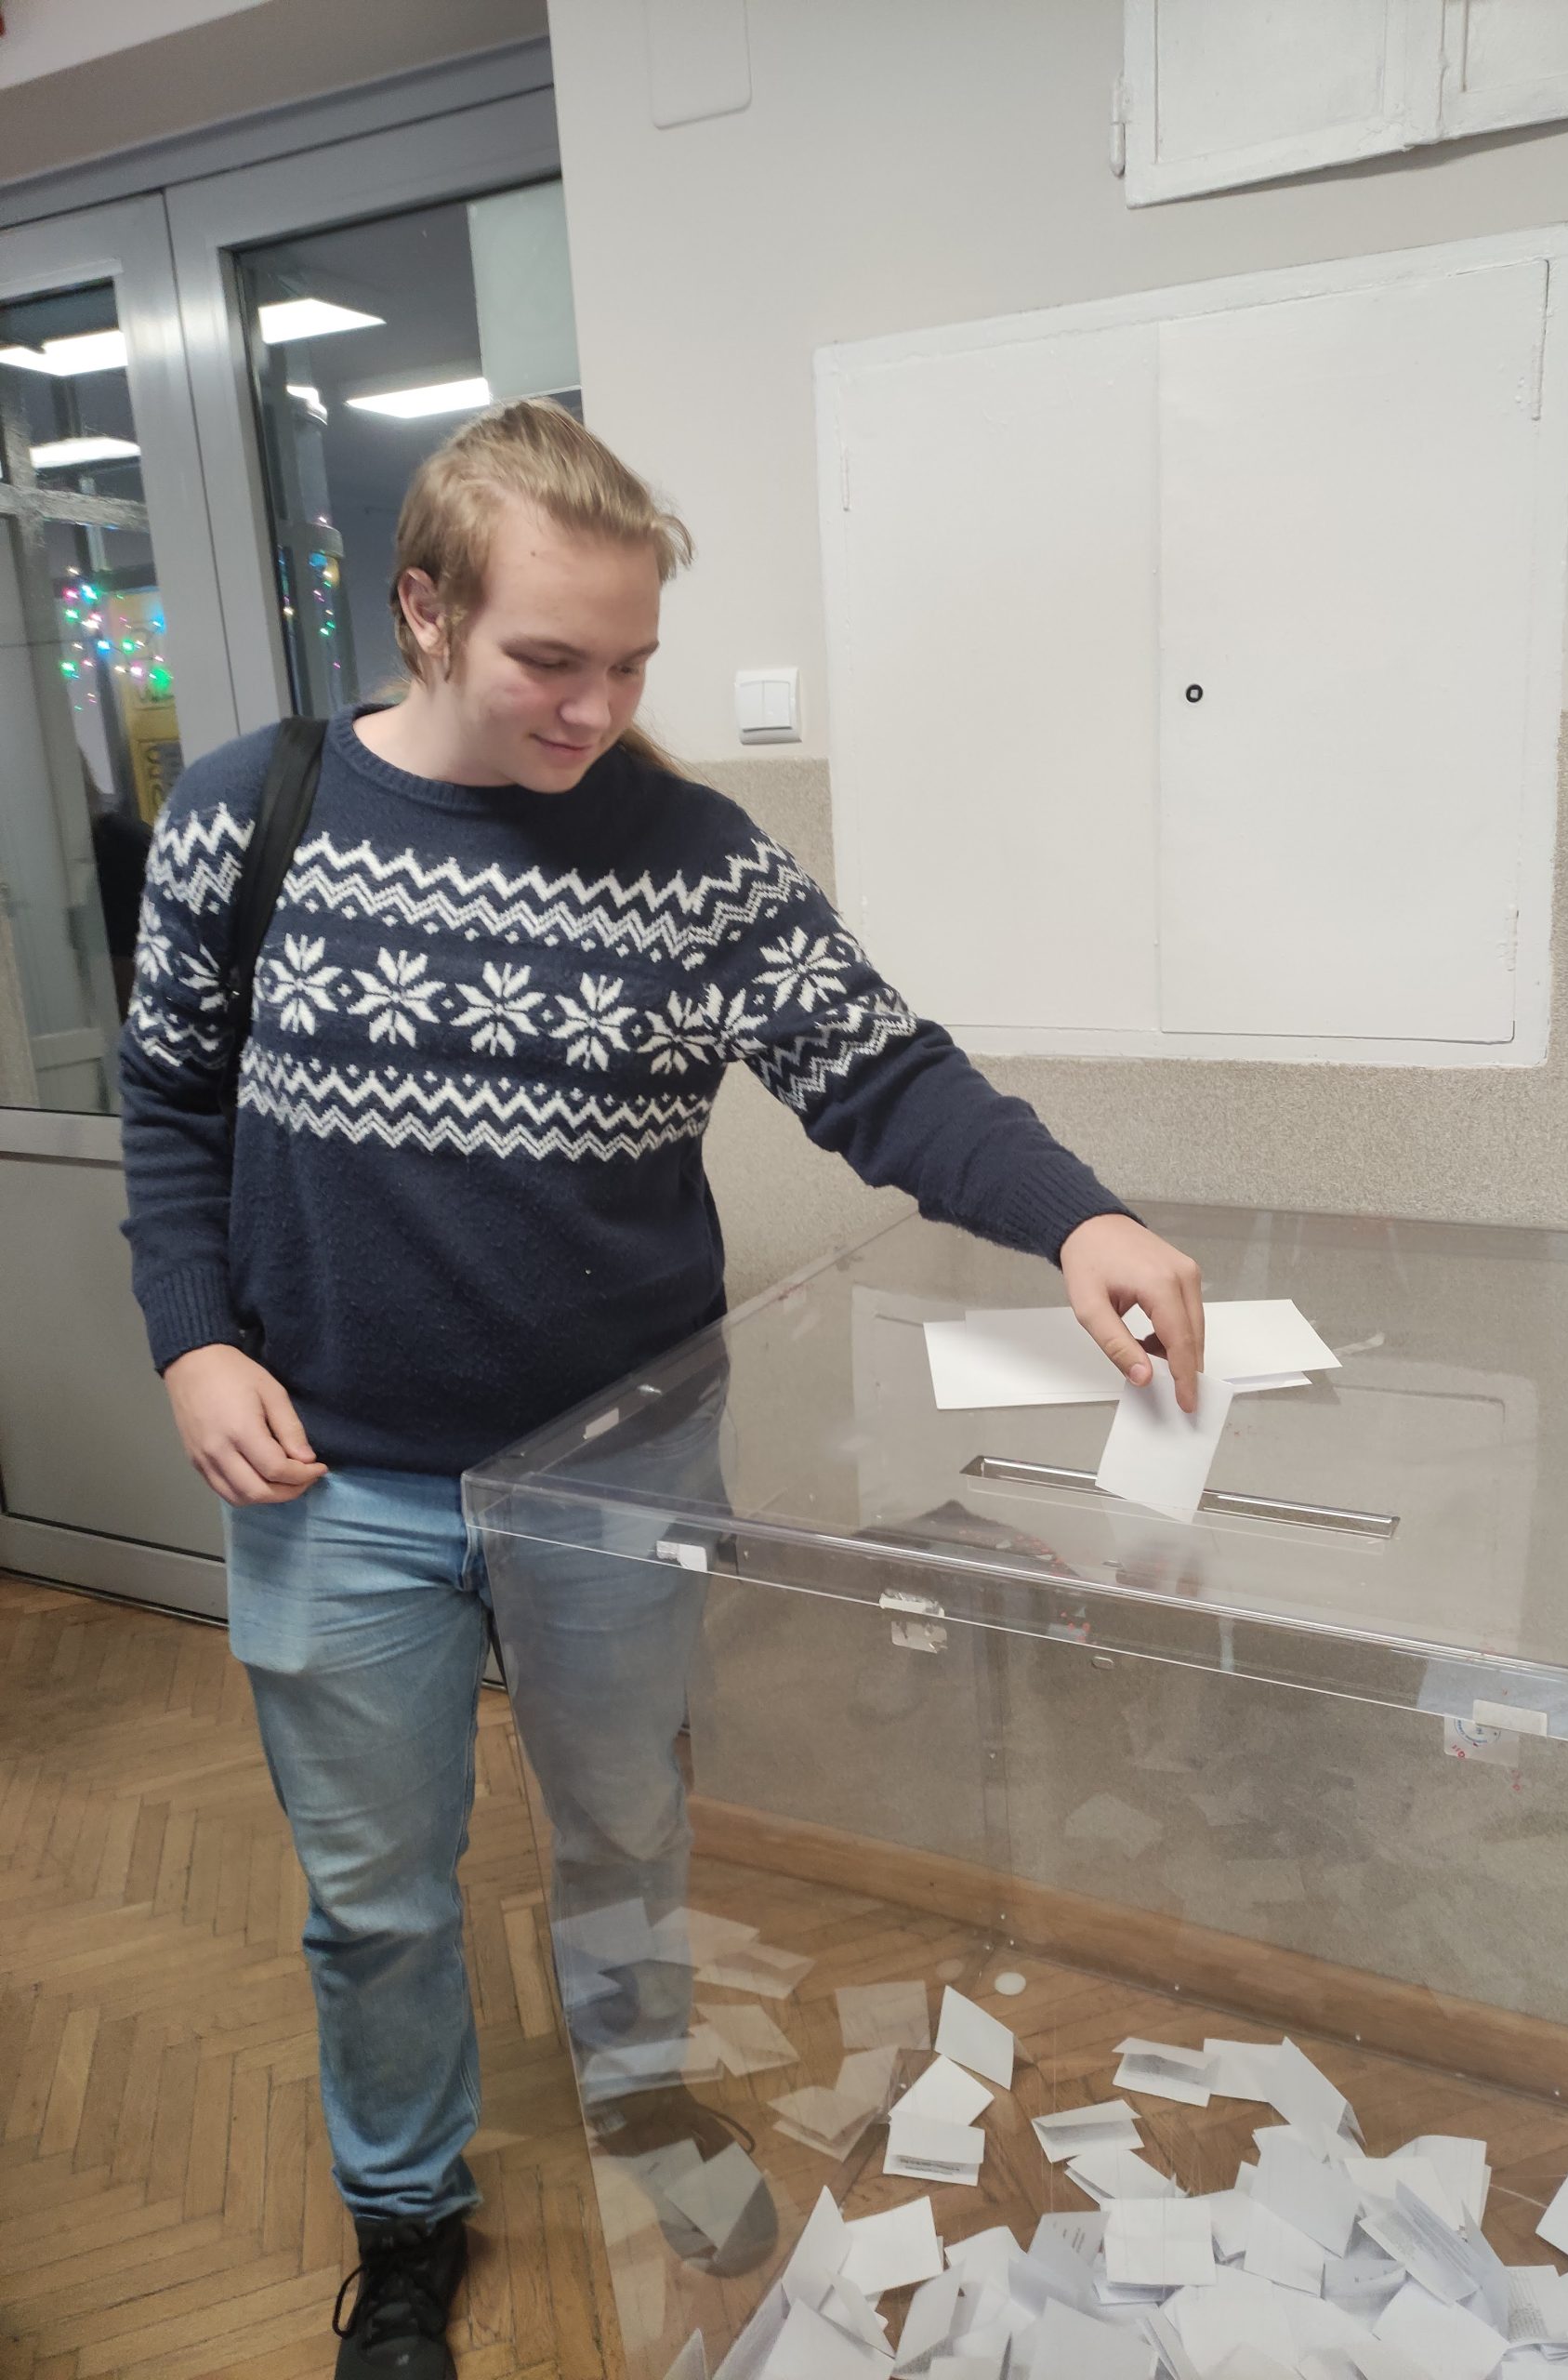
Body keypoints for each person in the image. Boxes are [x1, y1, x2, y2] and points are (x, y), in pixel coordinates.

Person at [118, 397, 1206, 2379]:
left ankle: (636, 2094)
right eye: (552, 658)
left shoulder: (690, 858)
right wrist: (191, 1334)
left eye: (630, 664)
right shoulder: (245, 812)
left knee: (626, 1826)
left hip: (613, 1471)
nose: (596, 708)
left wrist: (1080, 1216)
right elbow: (172, 1105)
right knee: (375, 1897)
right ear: (424, 611)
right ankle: (406, 2219)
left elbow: (886, 1076)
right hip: (327, 1481)